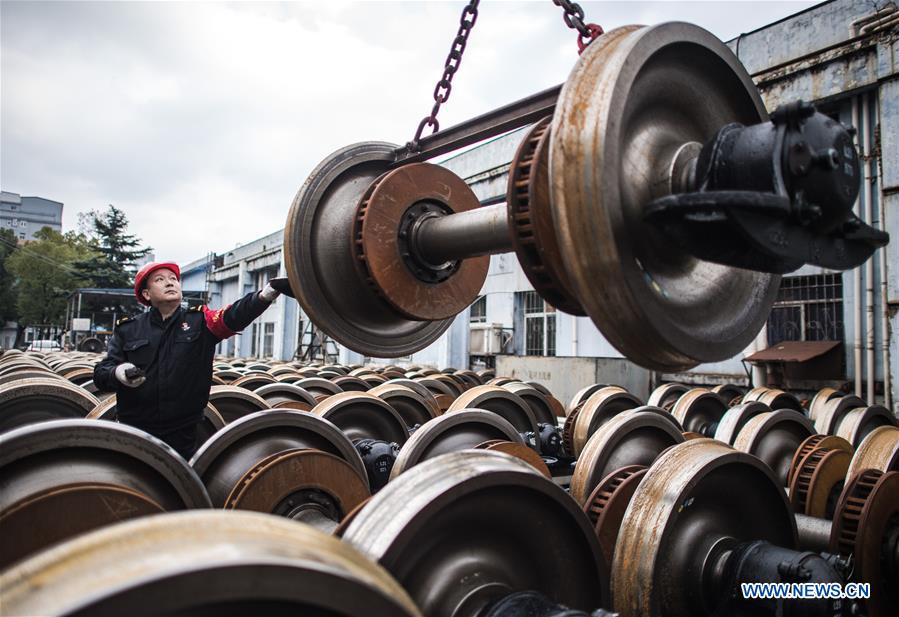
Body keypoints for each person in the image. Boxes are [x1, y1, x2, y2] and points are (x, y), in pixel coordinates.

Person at [93, 261, 294, 459]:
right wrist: (118, 373)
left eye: (173, 279)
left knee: (180, 478)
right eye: (160, 280)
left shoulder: (200, 322)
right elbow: (101, 373)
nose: (170, 282)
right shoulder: (128, 329)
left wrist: (266, 294)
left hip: (183, 434)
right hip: (134, 431)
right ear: (146, 294)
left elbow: (234, 315)